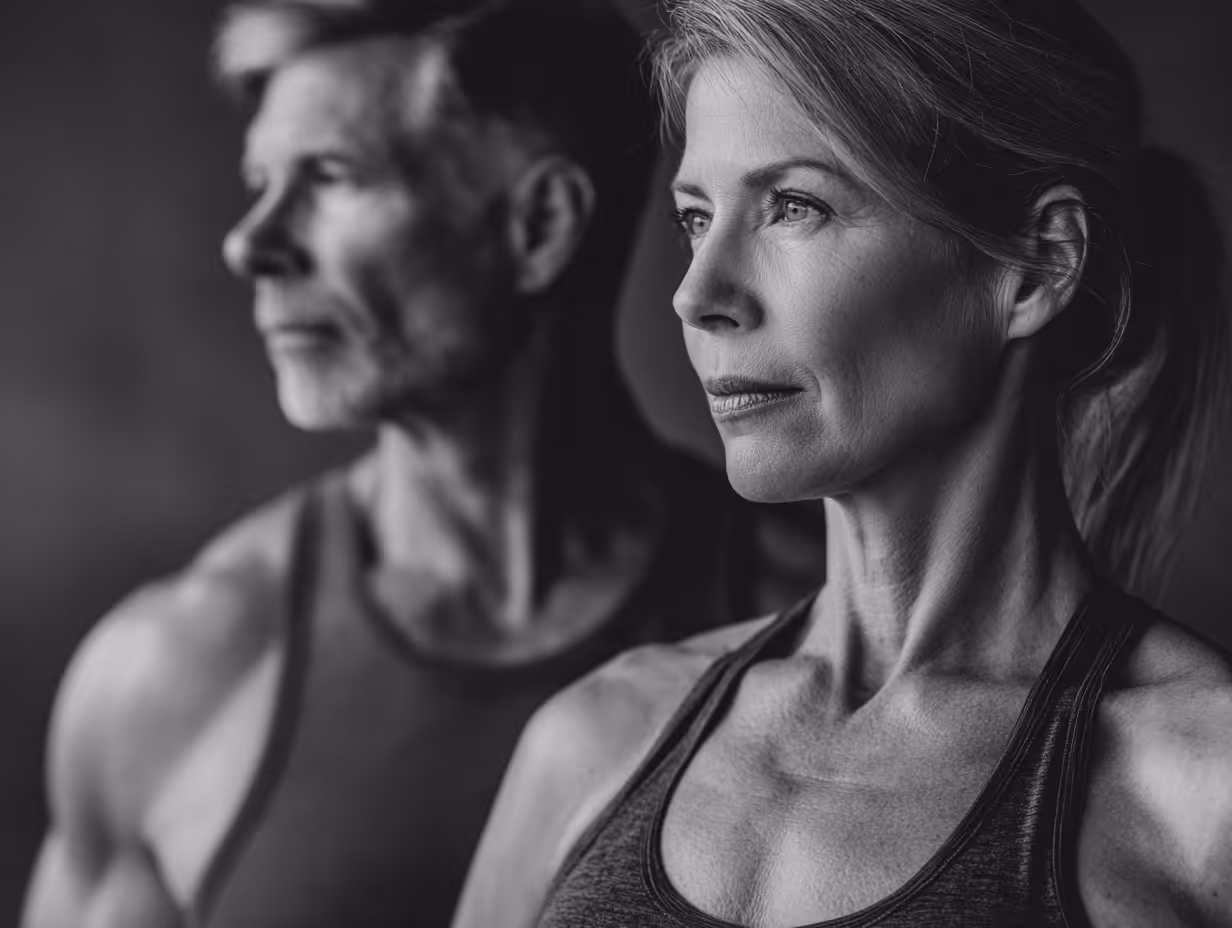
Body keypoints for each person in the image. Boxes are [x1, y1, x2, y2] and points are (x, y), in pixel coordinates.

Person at [19, 0, 827, 925]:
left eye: (329, 175)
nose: (252, 244)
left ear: (539, 226)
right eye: (261, 181)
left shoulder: (819, 619)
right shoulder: (172, 672)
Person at [454, 0, 1232, 925]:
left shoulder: (1198, 789)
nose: (697, 294)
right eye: (697, 218)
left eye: (794, 207)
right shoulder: (595, 741)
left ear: (1035, 267)